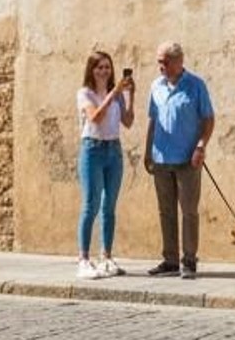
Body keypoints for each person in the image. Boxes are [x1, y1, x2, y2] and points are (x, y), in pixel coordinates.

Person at [144, 40, 215, 278]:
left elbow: (208, 119)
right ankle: (170, 259)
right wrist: (147, 152)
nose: (160, 66)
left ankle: (189, 260)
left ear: (178, 61)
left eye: (164, 62)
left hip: (188, 158)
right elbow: (152, 120)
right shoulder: (156, 86)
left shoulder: (196, 85)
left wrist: (201, 146)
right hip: (161, 157)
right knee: (166, 211)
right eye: (159, 62)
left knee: (189, 211)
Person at [74, 50, 134, 278]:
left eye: (107, 67)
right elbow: (95, 117)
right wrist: (114, 93)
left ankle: (107, 257)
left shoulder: (116, 94)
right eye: (99, 67)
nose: (104, 71)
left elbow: (127, 122)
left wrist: (130, 96)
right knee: (91, 204)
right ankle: (83, 259)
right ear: (91, 70)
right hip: (93, 150)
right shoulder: (85, 93)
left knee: (109, 206)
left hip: (113, 150)